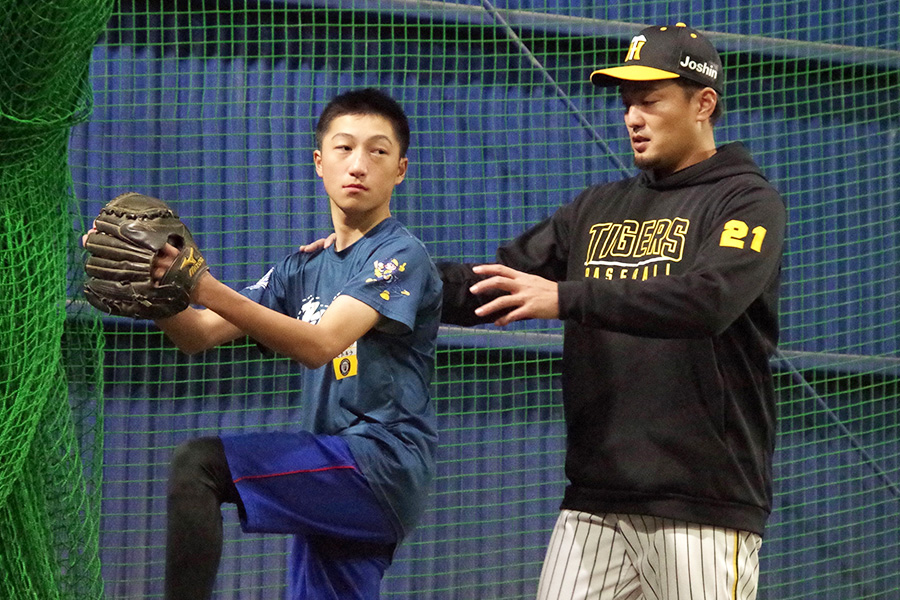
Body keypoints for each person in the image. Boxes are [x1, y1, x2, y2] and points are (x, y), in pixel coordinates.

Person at [438, 23, 787, 600]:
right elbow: (493, 285)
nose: (632, 118)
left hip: (703, 503)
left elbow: (708, 300)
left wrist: (567, 296)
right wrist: (382, 271)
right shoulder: (597, 207)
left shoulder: (746, 200)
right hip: (596, 501)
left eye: (650, 101)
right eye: (628, 104)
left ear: (704, 103)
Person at [150, 88, 443, 600]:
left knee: (198, 465)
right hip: (333, 469)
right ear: (318, 161)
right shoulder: (302, 267)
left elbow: (319, 345)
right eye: (343, 148)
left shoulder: (400, 254)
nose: (358, 164)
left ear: (400, 170)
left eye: (378, 151)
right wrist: (155, 287)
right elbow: (196, 335)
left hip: (378, 465)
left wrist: (200, 283)